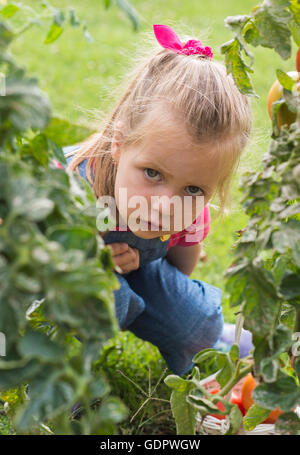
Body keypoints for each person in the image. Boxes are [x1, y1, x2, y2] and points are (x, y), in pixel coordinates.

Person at [60, 24, 253, 376]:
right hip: (61, 276)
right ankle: (59, 375)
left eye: (194, 189)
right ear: (119, 145)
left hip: (138, 271)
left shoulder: (189, 211)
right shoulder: (75, 185)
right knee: (107, 298)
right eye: (152, 173)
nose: (166, 206)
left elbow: (178, 272)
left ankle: (214, 338)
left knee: (195, 322)